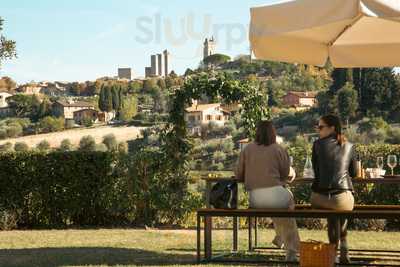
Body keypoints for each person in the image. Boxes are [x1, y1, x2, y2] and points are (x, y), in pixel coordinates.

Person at [235, 120, 300, 261]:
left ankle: (280, 237)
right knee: (288, 205)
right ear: (273, 133)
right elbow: (285, 175)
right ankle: (291, 251)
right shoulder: (278, 149)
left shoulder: (247, 149)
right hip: (276, 195)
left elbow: (238, 175)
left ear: (257, 132)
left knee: (280, 206)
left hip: (255, 198)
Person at [310, 114, 357, 263]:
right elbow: (354, 173)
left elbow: (317, 172)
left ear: (332, 128)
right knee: (340, 207)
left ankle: (333, 255)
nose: (318, 130)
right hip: (343, 198)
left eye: (321, 127)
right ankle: (343, 245)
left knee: (332, 215)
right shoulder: (349, 146)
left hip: (319, 198)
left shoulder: (317, 145)